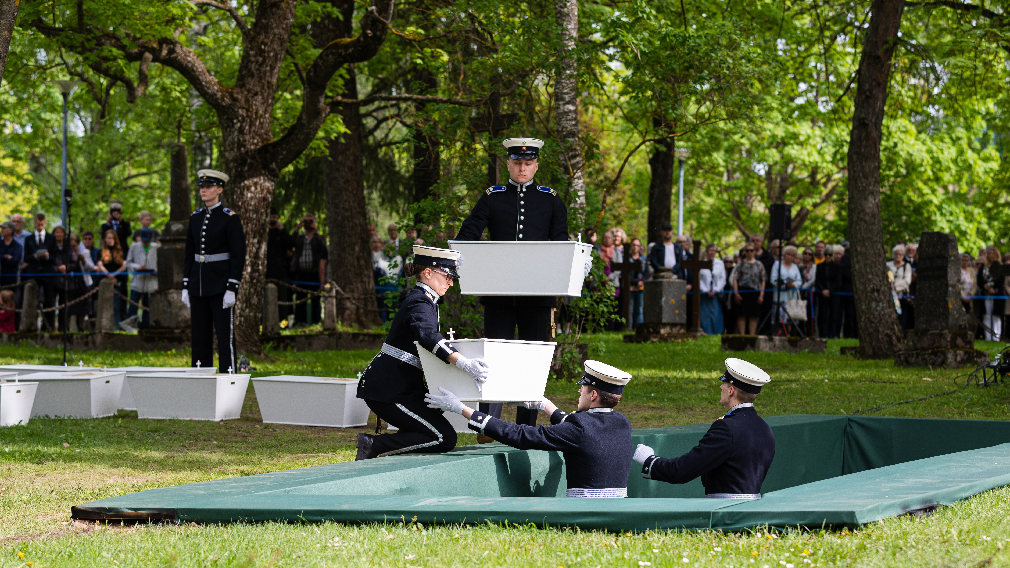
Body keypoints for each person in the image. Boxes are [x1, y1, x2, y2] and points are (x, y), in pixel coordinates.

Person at [455, 137, 568, 429]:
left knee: (530, 360)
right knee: (492, 358)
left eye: (528, 163)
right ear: (508, 163)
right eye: (517, 162)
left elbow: (560, 245)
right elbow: (468, 234)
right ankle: (487, 423)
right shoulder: (493, 196)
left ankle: (526, 426)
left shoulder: (550, 199)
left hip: (536, 295)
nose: (522, 168)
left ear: (536, 166)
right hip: (498, 295)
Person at [355, 246, 490, 460]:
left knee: (432, 424)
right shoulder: (420, 301)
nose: (451, 282)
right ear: (428, 273)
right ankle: (373, 445)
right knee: (443, 438)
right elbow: (428, 336)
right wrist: (463, 363)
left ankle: (386, 452)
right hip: (389, 391)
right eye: (447, 276)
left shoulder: (426, 301)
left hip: (400, 388)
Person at [426, 360, 635, 498]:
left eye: (584, 387)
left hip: (586, 513)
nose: (580, 390)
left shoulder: (579, 428)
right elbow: (579, 429)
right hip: (621, 508)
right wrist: (543, 404)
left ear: (594, 395)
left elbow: (521, 435)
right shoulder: (622, 423)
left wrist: (461, 409)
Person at [632, 358, 775, 498]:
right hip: (754, 512)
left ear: (731, 390)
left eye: (723, 383)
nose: (721, 387)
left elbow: (682, 471)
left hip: (725, 514)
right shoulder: (764, 428)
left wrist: (650, 461)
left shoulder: (726, 427)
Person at [181, 169, 246, 372]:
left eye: (208, 187)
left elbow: (238, 256)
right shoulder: (195, 218)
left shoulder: (230, 218)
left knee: (225, 336)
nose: (203, 190)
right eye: (202, 187)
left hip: (220, 286)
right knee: (200, 336)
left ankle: (229, 377)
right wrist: (185, 285)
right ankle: (201, 377)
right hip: (198, 285)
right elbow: (189, 254)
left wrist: (232, 287)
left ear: (219, 189)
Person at [289, 214, 328, 327]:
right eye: (307, 221)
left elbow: (323, 248)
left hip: (314, 273)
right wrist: (299, 226)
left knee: (316, 299)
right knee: (300, 299)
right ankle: (300, 322)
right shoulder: (300, 238)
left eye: (311, 221)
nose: (309, 224)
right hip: (301, 273)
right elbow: (290, 243)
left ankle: (316, 322)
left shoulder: (319, 238)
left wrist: (315, 232)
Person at [23, 214, 59, 331]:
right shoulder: (28, 239)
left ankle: (48, 327)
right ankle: (30, 326)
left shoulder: (51, 238)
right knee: (31, 299)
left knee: (49, 301)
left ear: (45, 224)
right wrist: (35, 256)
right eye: (38, 224)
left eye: (42, 224)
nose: (40, 226)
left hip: (47, 273)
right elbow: (26, 258)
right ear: (34, 223)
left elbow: (55, 257)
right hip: (33, 273)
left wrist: (47, 256)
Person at [123, 228, 158, 331]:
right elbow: (128, 263)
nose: (146, 243)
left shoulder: (157, 248)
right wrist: (138, 267)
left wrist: (155, 272)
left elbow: (162, 265)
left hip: (151, 284)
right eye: (144, 241)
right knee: (133, 306)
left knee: (148, 307)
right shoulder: (134, 247)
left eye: (148, 241)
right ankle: (129, 328)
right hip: (137, 282)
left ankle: (146, 329)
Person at [101, 203, 132, 317]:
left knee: (123, 291)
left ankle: (123, 316)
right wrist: (109, 223)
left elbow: (129, 233)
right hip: (109, 261)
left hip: (121, 257)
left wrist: (122, 221)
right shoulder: (106, 226)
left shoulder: (124, 225)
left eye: (118, 212)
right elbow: (103, 236)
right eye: (113, 212)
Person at [729, 245, 766, 335]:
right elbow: (735, 279)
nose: (749, 252)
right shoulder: (740, 263)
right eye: (747, 250)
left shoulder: (759, 264)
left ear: (754, 252)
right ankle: (742, 336)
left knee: (753, 316)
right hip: (743, 291)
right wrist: (736, 293)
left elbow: (763, 280)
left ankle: (752, 336)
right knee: (742, 315)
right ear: (745, 252)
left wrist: (761, 295)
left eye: (751, 250)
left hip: (755, 292)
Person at [96, 229, 128, 329]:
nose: (111, 240)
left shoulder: (120, 251)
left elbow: (124, 266)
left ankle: (116, 327)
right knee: (104, 306)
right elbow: (100, 265)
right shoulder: (100, 252)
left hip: (117, 281)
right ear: (105, 239)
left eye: (112, 238)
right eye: (109, 238)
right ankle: (104, 327)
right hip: (105, 281)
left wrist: (114, 275)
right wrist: (109, 276)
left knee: (116, 306)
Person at [266, 208, 293, 322]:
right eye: (271, 218)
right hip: (267, 271)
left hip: (281, 271)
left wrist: (282, 230)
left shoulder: (282, 233)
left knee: (282, 298)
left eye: (274, 218)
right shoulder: (264, 232)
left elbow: (290, 246)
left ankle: (283, 322)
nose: (273, 220)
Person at [769, 245, 802, 332]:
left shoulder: (795, 267)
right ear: (784, 254)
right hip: (780, 296)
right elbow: (773, 279)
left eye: (792, 255)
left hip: (791, 296)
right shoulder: (777, 264)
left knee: (790, 320)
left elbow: (799, 281)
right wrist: (784, 284)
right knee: (780, 319)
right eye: (788, 254)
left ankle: (789, 336)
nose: (790, 257)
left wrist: (793, 284)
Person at [975, 245, 1004, 341]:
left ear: (996, 255)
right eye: (990, 253)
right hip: (986, 295)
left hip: (997, 295)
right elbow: (979, 280)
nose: (991, 255)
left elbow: (1001, 280)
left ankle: (996, 337)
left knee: (996, 316)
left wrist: (993, 287)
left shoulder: (1000, 266)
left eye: (993, 253)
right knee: (987, 315)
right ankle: (988, 337)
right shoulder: (983, 267)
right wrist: (986, 287)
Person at [698, 243, 725, 335]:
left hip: (716, 292)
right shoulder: (702, 263)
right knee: (705, 314)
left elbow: (722, 278)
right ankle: (706, 332)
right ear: (706, 251)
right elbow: (699, 279)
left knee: (716, 313)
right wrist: (705, 290)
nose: (712, 252)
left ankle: (716, 332)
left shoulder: (720, 263)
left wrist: (716, 290)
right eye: (710, 250)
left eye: (714, 250)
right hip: (705, 292)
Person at [886, 245, 913, 333]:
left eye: (900, 254)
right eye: (896, 254)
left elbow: (907, 281)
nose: (898, 256)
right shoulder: (887, 265)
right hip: (889, 295)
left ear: (903, 255)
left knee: (902, 318)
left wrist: (896, 287)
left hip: (902, 296)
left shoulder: (907, 266)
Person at [628, 238, 649, 326]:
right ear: (631, 246)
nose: (635, 247)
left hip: (640, 288)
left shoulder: (644, 259)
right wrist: (635, 283)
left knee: (639, 309)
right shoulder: (627, 259)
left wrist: (641, 282)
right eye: (633, 245)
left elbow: (647, 273)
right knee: (630, 309)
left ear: (640, 247)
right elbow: (626, 274)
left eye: (637, 245)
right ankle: (628, 327)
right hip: (630, 287)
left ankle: (638, 327)